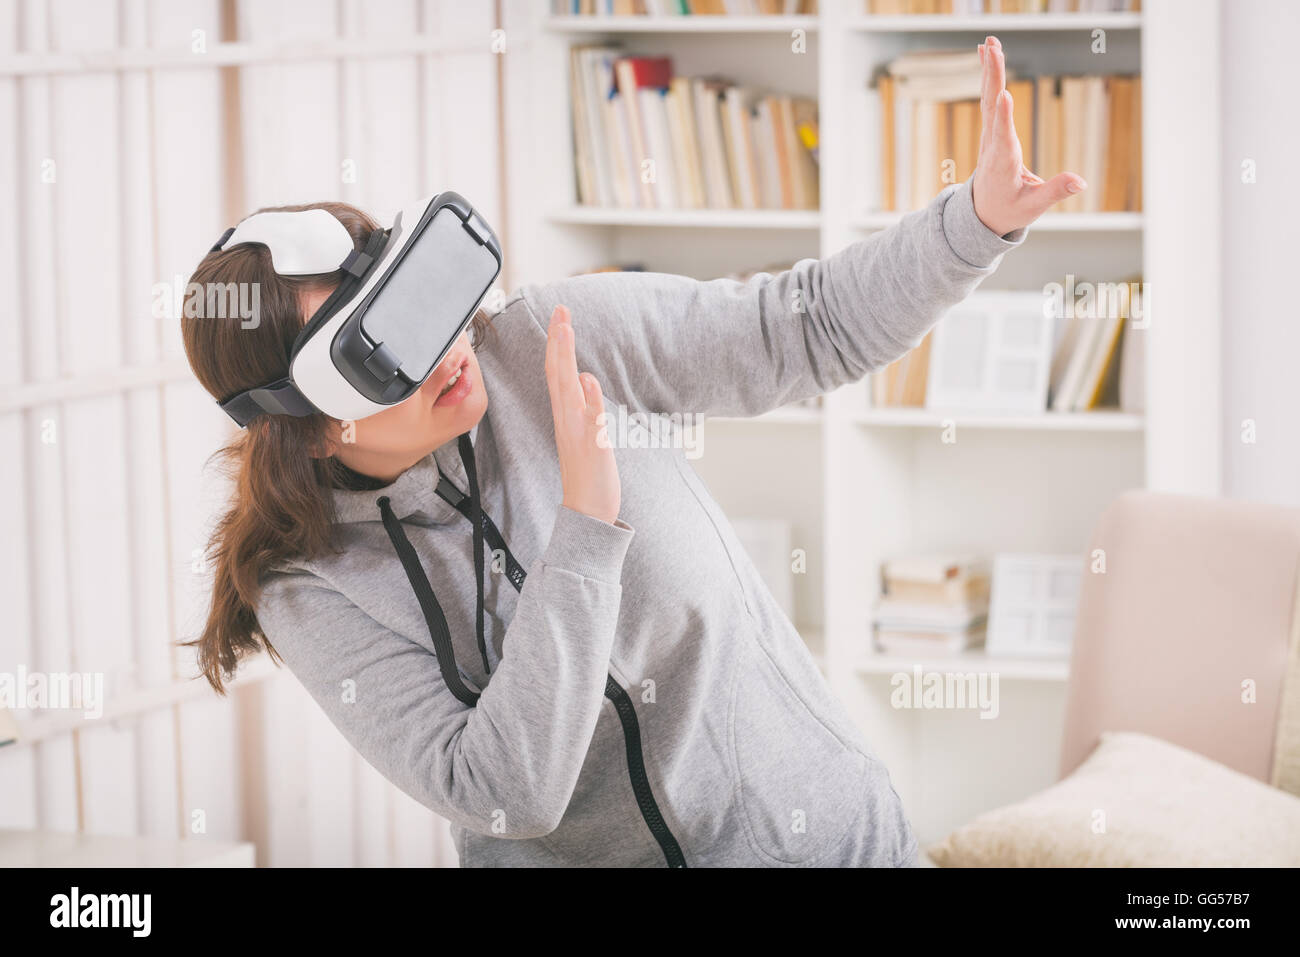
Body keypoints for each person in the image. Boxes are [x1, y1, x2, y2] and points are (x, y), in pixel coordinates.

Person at [181, 37, 1083, 866]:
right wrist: (583, 528)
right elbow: (503, 793)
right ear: (306, 419)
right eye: (383, 346)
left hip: (832, 843)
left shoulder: (554, 344)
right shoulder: (307, 584)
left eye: (415, 295)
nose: (446, 346)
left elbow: (801, 331)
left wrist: (975, 224)